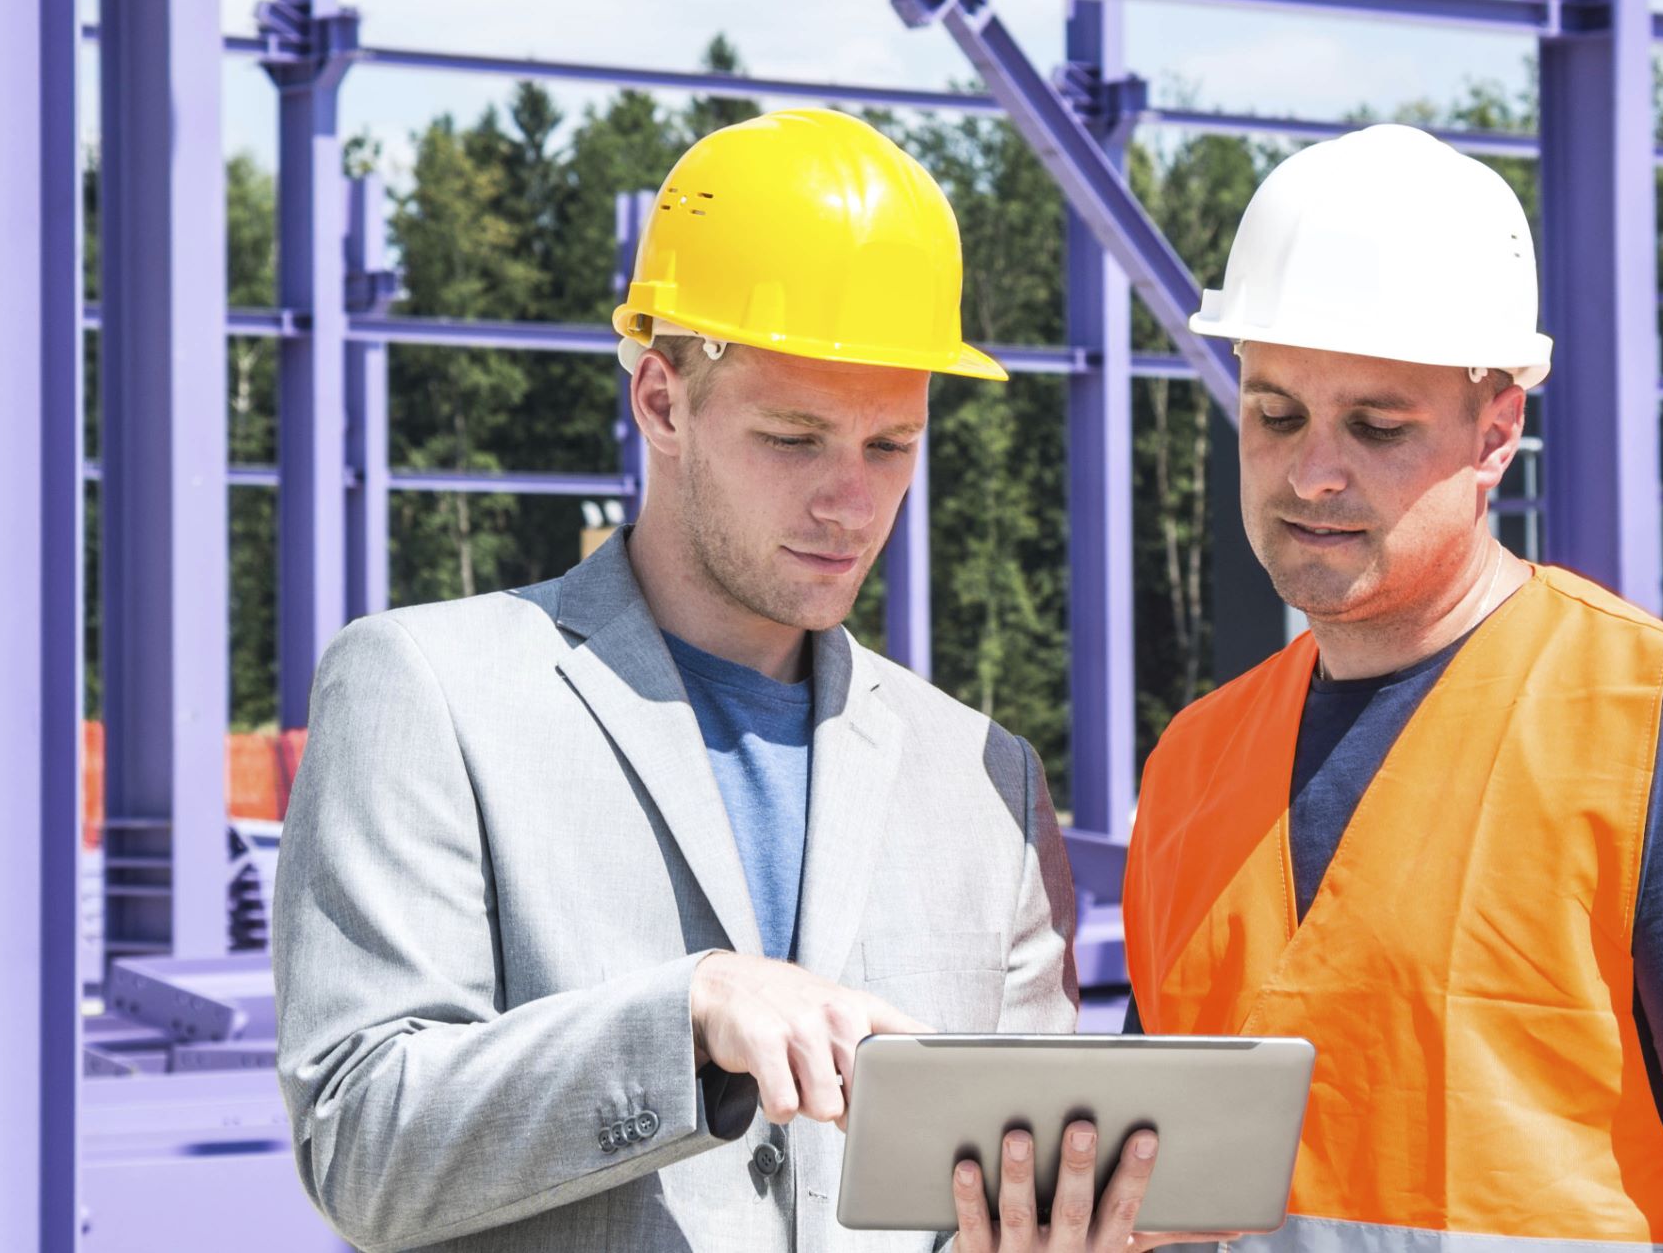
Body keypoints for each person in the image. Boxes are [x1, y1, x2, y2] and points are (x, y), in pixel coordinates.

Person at [274, 109, 1163, 1252]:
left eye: (890, 445)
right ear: (659, 398)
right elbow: (363, 1142)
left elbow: (1003, 1186)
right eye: (793, 439)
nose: (850, 501)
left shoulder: (980, 774)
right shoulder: (429, 692)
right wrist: (680, 1018)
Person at [1122, 124, 1663, 1251]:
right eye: (1274, 413)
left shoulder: (1662, 720)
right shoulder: (1191, 763)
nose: (1311, 470)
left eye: (1376, 425)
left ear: (1495, 432)